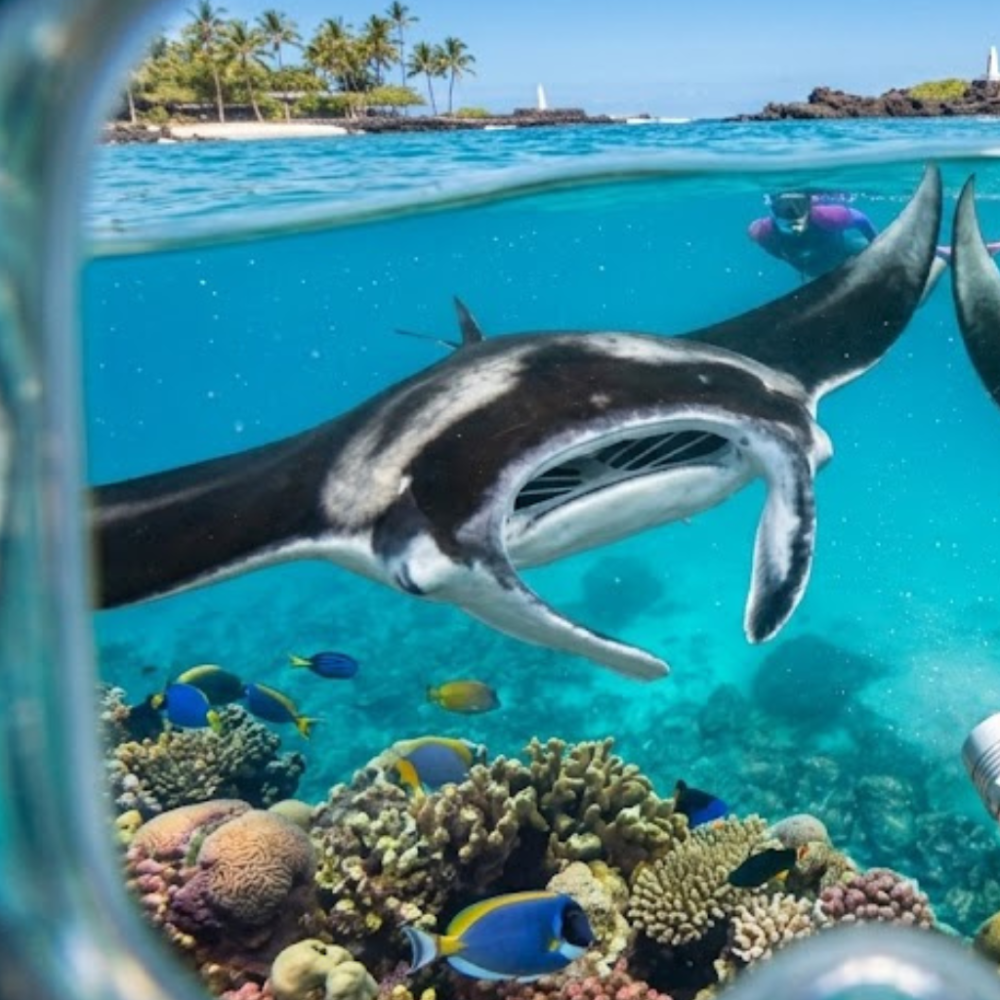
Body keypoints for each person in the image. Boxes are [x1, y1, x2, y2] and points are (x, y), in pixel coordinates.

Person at [749, 191, 956, 300]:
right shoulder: (763, 232)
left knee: (907, 295)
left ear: (808, 213)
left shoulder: (826, 216)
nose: (795, 229)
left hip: (849, 253)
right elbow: (764, 240)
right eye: (788, 226)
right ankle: (937, 253)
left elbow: (860, 218)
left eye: (799, 223)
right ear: (775, 219)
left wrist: (877, 245)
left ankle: (939, 256)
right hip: (822, 272)